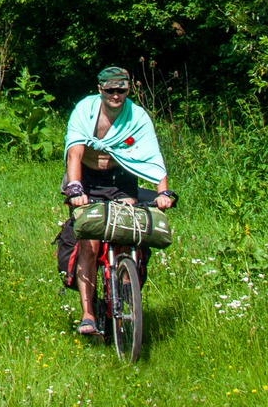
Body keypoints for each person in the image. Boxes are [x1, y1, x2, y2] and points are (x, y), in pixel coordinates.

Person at [55, 66, 178, 337]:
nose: (115, 95)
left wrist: (163, 193)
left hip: (121, 180)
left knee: (126, 234)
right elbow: (74, 153)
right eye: (110, 90)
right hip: (88, 180)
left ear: (128, 89)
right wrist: (75, 188)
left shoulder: (137, 116)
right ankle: (88, 315)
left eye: (121, 90)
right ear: (100, 89)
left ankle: (123, 297)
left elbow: (153, 155)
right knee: (89, 243)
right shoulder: (85, 111)